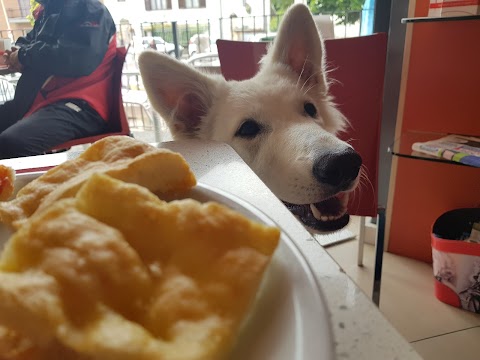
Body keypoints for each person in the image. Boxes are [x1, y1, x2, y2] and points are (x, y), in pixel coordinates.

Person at [0, 0, 117, 159]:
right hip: (39, 102)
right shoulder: (48, 12)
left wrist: (23, 56)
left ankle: (38, 183)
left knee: (10, 144)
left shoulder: (90, 9)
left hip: (78, 106)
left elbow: (79, 60)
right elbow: (29, 42)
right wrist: (17, 52)